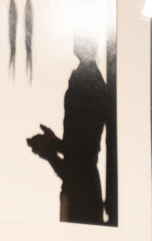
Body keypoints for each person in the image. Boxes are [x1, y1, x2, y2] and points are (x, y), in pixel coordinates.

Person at [26, 25, 110, 224]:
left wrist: (50, 151)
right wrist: (53, 144)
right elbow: (79, 151)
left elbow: (80, 161)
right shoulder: (86, 78)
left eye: (79, 37)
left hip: (82, 192)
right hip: (82, 188)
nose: (74, 41)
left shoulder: (88, 83)